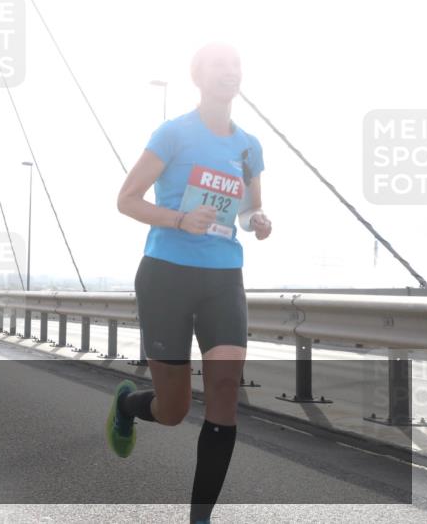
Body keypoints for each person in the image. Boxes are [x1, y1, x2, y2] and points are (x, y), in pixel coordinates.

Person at [109, 43, 272, 524]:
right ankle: (128, 404)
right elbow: (127, 199)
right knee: (175, 408)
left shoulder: (249, 146)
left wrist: (258, 219)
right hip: (167, 277)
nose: (231, 72)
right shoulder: (174, 133)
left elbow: (246, 209)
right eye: (221, 65)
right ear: (198, 77)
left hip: (224, 278)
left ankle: (199, 518)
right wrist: (179, 219)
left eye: (237, 65)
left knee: (224, 389)